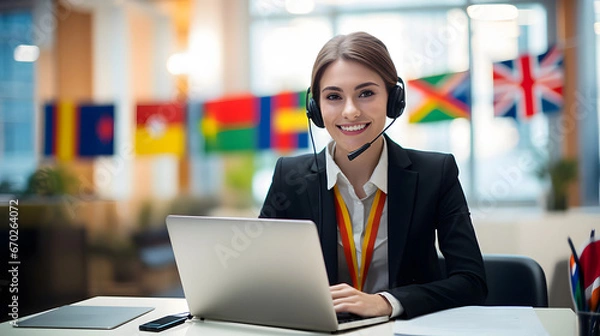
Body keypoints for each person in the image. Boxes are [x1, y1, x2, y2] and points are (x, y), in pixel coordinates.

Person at [259, 31, 487, 319]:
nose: (351, 111)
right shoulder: (288, 177)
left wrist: (386, 302)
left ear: (394, 100)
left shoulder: (436, 174)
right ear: (315, 108)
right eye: (333, 97)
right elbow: (260, 277)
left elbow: (472, 283)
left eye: (366, 93)